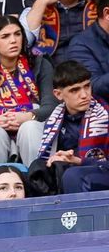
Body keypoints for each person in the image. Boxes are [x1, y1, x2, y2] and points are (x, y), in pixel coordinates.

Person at [0, 17, 54, 166]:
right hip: (2, 132)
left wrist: (27, 116)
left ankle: (39, 182)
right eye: (5, 36)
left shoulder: (40, 64)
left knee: (29, 127)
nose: (13, 40)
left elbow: (51, 107)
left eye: (17, 34)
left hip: (36, 126)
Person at [36, 60, 109, 192]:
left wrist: (79, 161)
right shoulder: (54, 120)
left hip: (100, 172)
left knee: (72, 175)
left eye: (87, 86)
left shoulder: (105, 116)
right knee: (37, 170)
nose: (84, 95)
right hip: (69, 171)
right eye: (75, 90)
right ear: (58, 94)